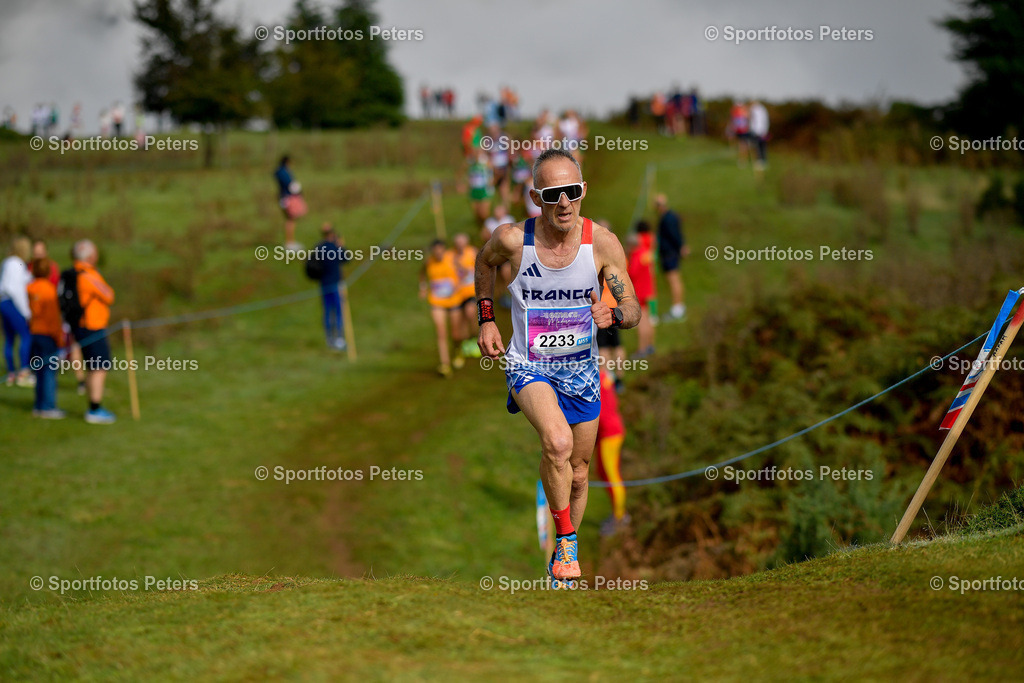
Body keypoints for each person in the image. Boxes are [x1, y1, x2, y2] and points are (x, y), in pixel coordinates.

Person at [475, 148, 640, 587]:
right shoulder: (514, 240)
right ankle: (565, 541)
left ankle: (562, 559)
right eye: (552, 194)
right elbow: (483, 262)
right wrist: (487, 318)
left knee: (581, 472)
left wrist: (616, 315)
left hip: (583, 370)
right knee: (558, 442)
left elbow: (633, 307)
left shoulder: (602, 243)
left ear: (583, 191)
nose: (563, 203)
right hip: (529, 364)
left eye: (571, 192)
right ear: (535, 196)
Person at [72, 239, 116, 424]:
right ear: (90, 256)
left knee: (93, 367)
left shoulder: (72, 273)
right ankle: (95, 409)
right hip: (92, 327)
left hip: (82, 326)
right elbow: (108, 295)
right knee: (99, 368)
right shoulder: (87, 275)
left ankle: (94, 405)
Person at [28, 258, 65, 418]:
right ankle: (48, 406)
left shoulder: (29, 288)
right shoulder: (49, 290)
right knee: (49, 371)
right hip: (47, 335)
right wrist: (60, 338)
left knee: (38, 370)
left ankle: (38, 404)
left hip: (33, 333)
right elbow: (53, 318)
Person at [420, 239, 461, 377]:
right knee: (441, 332)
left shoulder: (452, 258)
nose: (438, 254)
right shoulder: (429, 262)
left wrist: (458, 284)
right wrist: (423, 287)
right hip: (436, 301)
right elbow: (421, 273)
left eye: (440, 251)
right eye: (435, 251)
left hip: (453, 300)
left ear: (444, 250)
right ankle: (445, 364)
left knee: (455, 333)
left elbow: (463, 271)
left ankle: (457, 350)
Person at [594, 367, 627, 535]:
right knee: (602, 472)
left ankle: (620, 517)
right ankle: (618, 512)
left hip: (610, 432)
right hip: (608, 431)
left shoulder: (594, 377)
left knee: (611, 474)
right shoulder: (603, 375)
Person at [1, 237, 34, 387]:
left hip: (3, 301)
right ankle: (23, 373)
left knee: (9, 339)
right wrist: (26, 312)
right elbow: (16, 290)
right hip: (12, 303)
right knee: (25, 335)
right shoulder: (17, 263)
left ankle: (11, 373)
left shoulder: (7, 262)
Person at [312, 223, 349, 351]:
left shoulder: (319, 248)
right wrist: (341, 247)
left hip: (324, 284)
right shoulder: (335, 247)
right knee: (338, 311)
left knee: (327, 311)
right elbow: (346, 258)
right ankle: (339, 337)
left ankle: (329, 338)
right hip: (335, 284)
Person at [655, 194, 689, 320]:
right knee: (674, 280)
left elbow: (675, 234)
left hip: (670, 253)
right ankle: (677, 307)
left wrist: (681, 246)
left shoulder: (668, 218)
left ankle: (677, 308)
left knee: (674, 280)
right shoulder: (669, 216)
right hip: (670, 252)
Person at [626, 225, 656, 356]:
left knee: (642, 321)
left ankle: (642, 349)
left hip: (639, 292)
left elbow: (632, 272)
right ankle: (650, 345)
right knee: (648, 319)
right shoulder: (645, 252)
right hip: (649, 290)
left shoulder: (636, 255)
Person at [452, 233, 481, 359]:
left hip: (471, 291)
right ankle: (465, 344)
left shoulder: (472, 252)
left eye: (462, 244)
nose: (460, 246)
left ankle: (475, 339)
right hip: (456, 294)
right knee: (460, 321)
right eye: (458, 244)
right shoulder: (450, 255)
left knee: (470, 313)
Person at [274, 155, 302, 249]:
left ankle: (290, 241)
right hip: (287, 198)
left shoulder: (278, 171)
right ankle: (289, 243)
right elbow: (291, 185)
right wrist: (299, 191)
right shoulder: (284, 172)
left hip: (282, 197)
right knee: (290, 219)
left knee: (289, 219)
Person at [748, 100, 769, 171]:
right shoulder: (752, 109)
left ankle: (762, 160)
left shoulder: (762, 109)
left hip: (761, 131)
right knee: (756, 146)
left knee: (761, 145)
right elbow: (752, 121)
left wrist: (764, 131)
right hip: (755, 131)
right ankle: (758, 160)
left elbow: (764, 121)